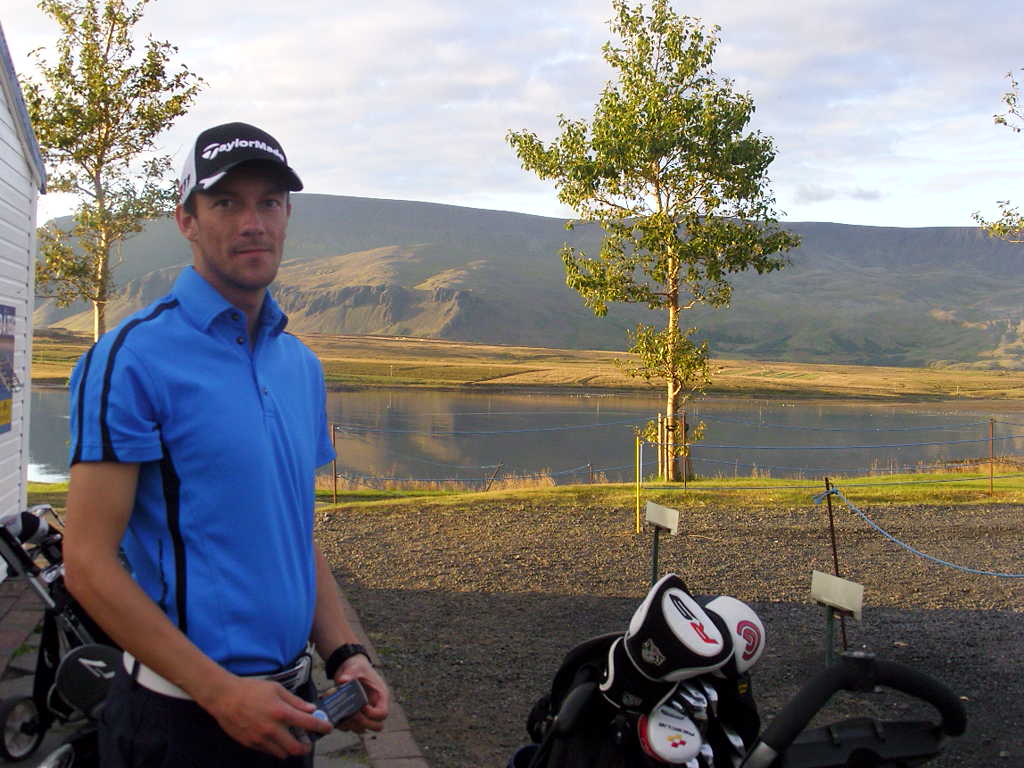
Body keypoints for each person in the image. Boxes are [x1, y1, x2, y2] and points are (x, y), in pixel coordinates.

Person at [63, 121, 390, 767]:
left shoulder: (300, 365)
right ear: (186, 220)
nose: (253, 223)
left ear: (288, 215)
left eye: (269, 202)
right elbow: (87, 563)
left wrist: (345, 653)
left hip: (290, 708)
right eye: (226, 203)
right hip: (179, 720)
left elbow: (291, 534)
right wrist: (220, 694)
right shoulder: (131, 357)